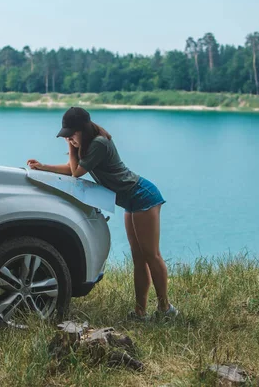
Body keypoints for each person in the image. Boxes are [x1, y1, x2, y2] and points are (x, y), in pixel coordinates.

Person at [27, 107, 178, 320]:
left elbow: (76, 172)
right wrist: (43, 167)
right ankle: (140, 312)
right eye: (67, 135)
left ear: (83, 129)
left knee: (151, 255)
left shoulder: (98, 143)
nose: (69, 138)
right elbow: (73, 169)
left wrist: (71, 149)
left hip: (143, 196)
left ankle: (165, 309)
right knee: (138, 257)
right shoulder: (89, 144)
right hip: (130, 201)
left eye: (72, 134)